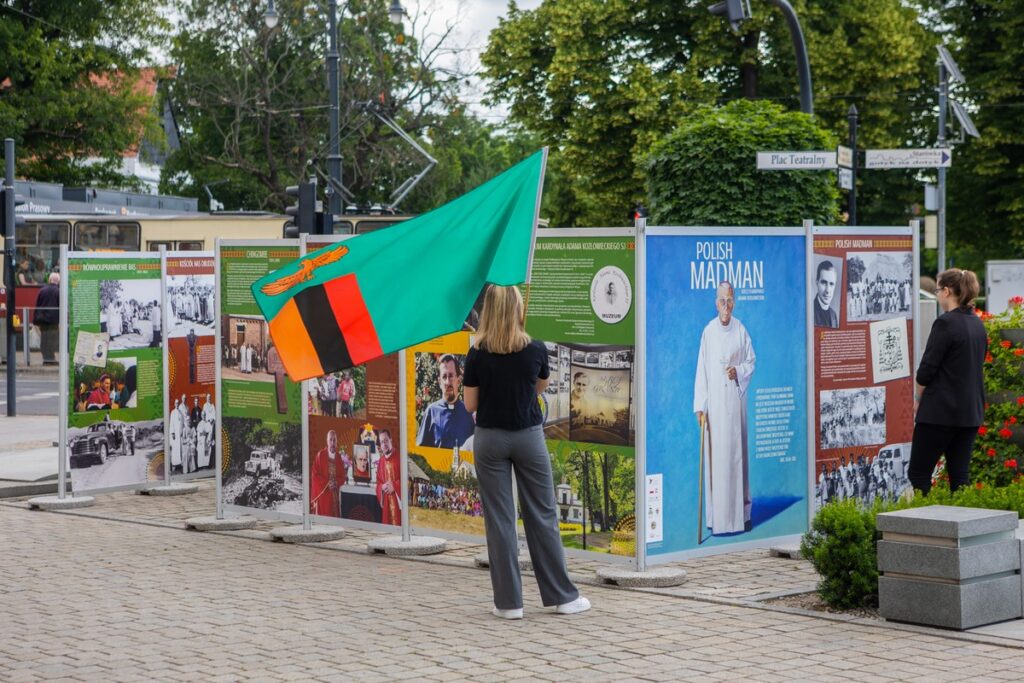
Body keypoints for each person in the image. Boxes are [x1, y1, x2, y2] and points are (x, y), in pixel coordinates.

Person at [463, 285, 589, 620]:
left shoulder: (477, 352)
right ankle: (562, 598)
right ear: (517, 309)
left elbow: (470, 404)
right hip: (528, 437)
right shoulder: (535, 349)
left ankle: (509, 604)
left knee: (500, 521)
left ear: (488, 310)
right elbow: (539, 386)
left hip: (489, 439)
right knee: (542, 515)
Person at [908, 269, 986, 495]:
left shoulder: (945, 323)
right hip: (969, 413)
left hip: (939, 413)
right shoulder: (977, 324)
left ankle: (925, 524)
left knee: (919, 474)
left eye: (937, 290)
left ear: (947, 291)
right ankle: (959, 524)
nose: (937, 295)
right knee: (960, 476)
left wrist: (917, 398)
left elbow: (926, 370)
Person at [693, 281, 755, 536]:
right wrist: (700, 407)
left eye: (730, 300)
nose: (726, 305)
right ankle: (716, 518)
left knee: (736, 457)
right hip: (715, 409)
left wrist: (737, 371)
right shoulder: (708, 331)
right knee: (716, 461)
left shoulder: (741, 330)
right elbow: (701, 371)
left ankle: (741, 515)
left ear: (734, 301)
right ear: (715, 303)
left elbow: (751, 361)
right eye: (722, 300)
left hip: (735, 406)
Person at [416, 354, 475, 449]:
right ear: (439, 382)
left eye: (451, 376)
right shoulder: (431, 412)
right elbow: (421, 453)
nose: (447, 382)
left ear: (458, 380)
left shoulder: (469, 412)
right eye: (444, 377)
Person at [310, 430, 347, 517]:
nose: (332, 442)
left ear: (337, 442)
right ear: (327, 441)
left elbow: (343, 477)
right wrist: (327, 483)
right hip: (323, 495)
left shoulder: (339, 458)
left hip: (335, 496)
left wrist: (336, 482)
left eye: (334, 440)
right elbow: (314, 475)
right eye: (330, 440)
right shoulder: (320, 455)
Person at [375, 429, 401, 525]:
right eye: (382, 442)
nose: (384, 444)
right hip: (386, 505)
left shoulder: (400, 457)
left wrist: (395, 486)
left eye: (386, 440)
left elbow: (408, 480)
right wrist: (382, 487)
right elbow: (378, 483)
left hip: (399, 507)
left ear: (391, 440)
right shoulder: (381, 461)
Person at [34, 273, 60, 364]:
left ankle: (46, 359)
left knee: (44, 339)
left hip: (43, 319)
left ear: (49, 280)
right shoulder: (58, 291)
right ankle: (51, 359)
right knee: (52, 340)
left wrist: (35, 320)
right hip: (53, 320)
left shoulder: (42, 290)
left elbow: (37, 305)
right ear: (58, 281)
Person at [814, 260, 839, 328]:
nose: (828, 290)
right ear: (817, 283)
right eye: (824, 282)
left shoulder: (834, 315)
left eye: (831, 284)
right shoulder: (809, 312)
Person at [169, 398, 183, 473]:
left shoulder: (181, 413)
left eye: (178, 403)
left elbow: (182, 423)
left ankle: (179, 464)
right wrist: (172, 433)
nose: (177, 404)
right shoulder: (172, 412)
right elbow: (171, 423)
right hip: (175, 435)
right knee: (175, 450)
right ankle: (174, 464)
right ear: (174, 404)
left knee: (180, 449)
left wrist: (182, 431)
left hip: (180, 434)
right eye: (176, 403)